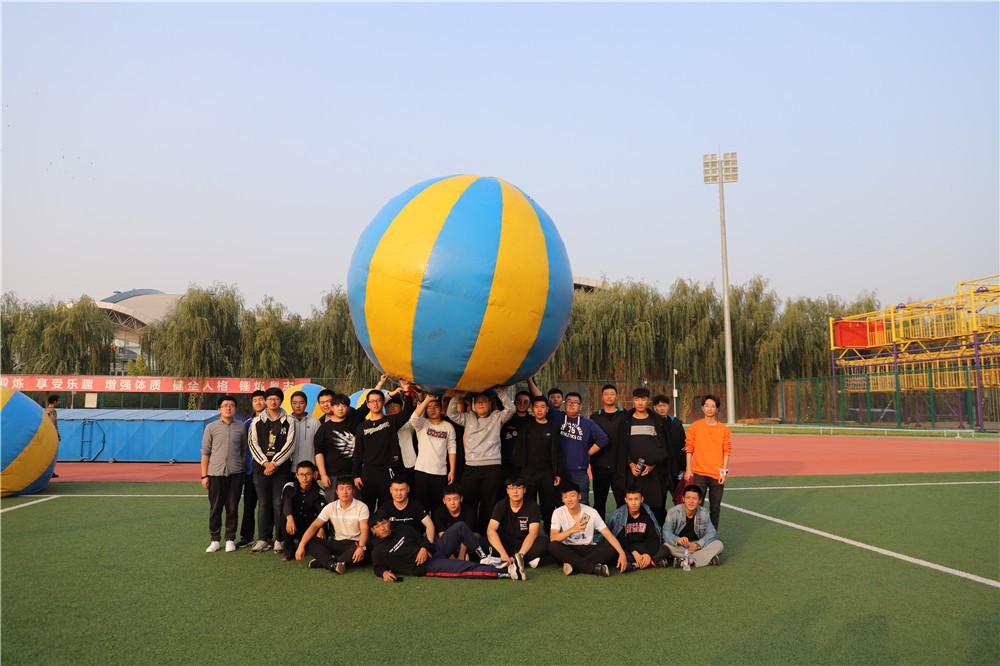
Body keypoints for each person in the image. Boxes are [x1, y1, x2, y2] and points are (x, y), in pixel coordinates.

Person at [369, 510, 519, 582]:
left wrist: (423, 548)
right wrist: (384, 573)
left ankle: (484, 558)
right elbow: (377, 567)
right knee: (464, 567)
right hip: (428, 566)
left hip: (435, 550)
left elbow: (422, 540)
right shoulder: (378, 551)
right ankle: (506, 572)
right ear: (373, 531)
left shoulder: (401, 528)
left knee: (460, 526)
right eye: (377, 526)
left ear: (388, 522)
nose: (382, 528)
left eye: (383, 523)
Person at [446, 388, 515, 532]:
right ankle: (469, 534)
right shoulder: (467, 418)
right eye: (477, 402)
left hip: (492, 467)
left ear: (490, 404)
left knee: (489, 504)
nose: (481, 404)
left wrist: (499, 391)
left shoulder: (497, 417)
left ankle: (485, 535)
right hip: (471, 468)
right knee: (469, 503)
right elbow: (451, 413)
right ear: (473, 405)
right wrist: (457, 395)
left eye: (484, 401)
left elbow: (511, 409)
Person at [352, 380, 414, 513]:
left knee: (386, 508)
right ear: (368, 404)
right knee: (366, 508)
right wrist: (356, 475)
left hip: (388, 471)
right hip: (368, 472)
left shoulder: (391, 421)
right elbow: (358, 452)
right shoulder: (362, 426)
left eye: (378, 400)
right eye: (372, 401)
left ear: (383, 402)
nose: (375, 403)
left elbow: (407, 412)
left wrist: (406, 391)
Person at [248, 387, 296, 553]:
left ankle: (279, 539)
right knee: (264, 504)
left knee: (278, 504)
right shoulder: (256, 421)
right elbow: (252, 444)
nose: (272, 402)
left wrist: (274, 463)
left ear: (281, 401)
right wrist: (265, 463)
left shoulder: (289, 420)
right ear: (265, 401)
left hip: (281, 469)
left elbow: (290, 445)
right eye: (269, 399)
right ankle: (263, 539)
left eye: (276, 398)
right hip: (261, 469)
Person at [621, 387, 678, 524]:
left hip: (655, 473)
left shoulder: (657, 420)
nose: (640, 403)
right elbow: (622, 447)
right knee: (634, 506)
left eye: (643, 399)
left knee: (656, 505)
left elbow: (665, 447)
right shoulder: (626, 420)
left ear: (648, 401)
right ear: (633, 401)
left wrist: (653, 464)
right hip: (633, 474)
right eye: (637, 400)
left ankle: (657, 532)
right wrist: (630, 464)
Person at [548, 481, 629, 576]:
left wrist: (622, 553)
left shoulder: (591, 512)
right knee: (553, 546)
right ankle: (593, 568)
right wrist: (572, 530)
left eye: (572, 495)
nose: (569, 500)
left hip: (587, 548)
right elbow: (553, 538)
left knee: (612, 549)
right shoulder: (558, 512)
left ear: (579, 496)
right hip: (568, 549)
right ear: (562, 499)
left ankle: (573, 566)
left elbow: (608, 534)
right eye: (565, 497)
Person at [296, 475, 370, 574]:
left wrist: (361, 547)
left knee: (365, 551)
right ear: (336, 491)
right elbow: (314, 526)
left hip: (354, 543)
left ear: (353, 491)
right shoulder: (330, 507)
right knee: (311, 541)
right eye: (341, 489)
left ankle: (324, 561)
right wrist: (301, 545)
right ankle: (334, 563)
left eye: (348, 488)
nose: (344, 492)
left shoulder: (362, 507)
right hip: (337, 542)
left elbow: (365, 529)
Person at [200, 395, 245, 553]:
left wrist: (242, 471)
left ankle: (230, 539)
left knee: (232, 507)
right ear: (219, 409)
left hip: (236, 473)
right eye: (225, 405)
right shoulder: (210, 427)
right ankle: (215, 539)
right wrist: (204, 476)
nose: (228, 408)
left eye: (231, 405)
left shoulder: (241, 427)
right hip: (215, 473)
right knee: (215, 508)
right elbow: (205, 453)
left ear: (235, 408)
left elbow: (243, 452)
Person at [684, 394, 733, 529]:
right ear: (702, 408)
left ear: (717, 409)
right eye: (707, 406)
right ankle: (695, 532)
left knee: (715, 507)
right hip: (699, 473)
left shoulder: (724, 429)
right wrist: (688, 469)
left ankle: (712, 533)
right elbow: (689, 449)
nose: (709, 409)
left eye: (713, 406)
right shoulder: (695, 427)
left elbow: (726, 451)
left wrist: (723, 472)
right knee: (696, 506)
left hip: (716, 475)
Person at [510, 395, 562, 523]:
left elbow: (557, 452)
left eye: (542, 407)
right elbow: (519, 450)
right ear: (532, 409)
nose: (539, 410)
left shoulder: (553, 427)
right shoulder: (526, 427)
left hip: (547, 474)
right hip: (528, 473)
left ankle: (550, 532)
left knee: (548, 507)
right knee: (528, 505)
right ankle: (528, 532)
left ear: (547, 409)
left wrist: (557, 473)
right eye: (536, 407)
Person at [484, 478, 548, 571]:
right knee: (481, 541)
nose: (515, 491)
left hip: (524, 545)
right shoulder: (500, 505)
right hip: (504, 544)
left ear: (524, 490)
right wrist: (503, 554)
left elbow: (533, 533)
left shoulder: (532, 506)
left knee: (545, 541)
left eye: (519, 488)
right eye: (511, 488)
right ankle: (526, 560)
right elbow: (491, 530)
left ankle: (515, 560)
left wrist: (520, 555)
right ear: (507, 491)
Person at [313, 389, 371, 489]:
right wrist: (323, 475)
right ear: (332, 407)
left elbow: (368, 404)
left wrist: (381, 384)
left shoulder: (354, 420)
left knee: (355, 499)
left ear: (348, 408)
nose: (340, 409)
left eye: (344, 406)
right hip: (333, 475)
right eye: (337, 406)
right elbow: (319, 452)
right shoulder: (323, 428)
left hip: (355, 474)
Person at [558, 392, 608, 505]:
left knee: (582, 504)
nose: (572, 404)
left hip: (579, 472)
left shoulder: (587, 423)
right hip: (560, 472)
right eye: (569, 402)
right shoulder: (558, 417)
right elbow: (542, 400)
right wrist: (530, 383)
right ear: (564, 404)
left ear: (580, 406)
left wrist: (587, 452)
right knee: (561, 504)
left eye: (575, 402)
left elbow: (603, 439)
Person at [409, 394, 457, 511]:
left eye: (435, 407)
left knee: (438, 507)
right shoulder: (422, 423)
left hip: (440, 472)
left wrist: (452, 470)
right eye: (429, 407)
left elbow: (452, 449)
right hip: (422, 471)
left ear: (441, 409)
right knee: (422, 507)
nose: (432, 410)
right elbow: (413, 418)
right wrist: (427, 399)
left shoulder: (448, 427)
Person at [656, 485, 724, 568]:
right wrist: (677, 540)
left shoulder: (703, 513)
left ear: (700, 500)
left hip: (697, 545)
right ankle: (705, 558)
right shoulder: (673, 512)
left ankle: (688, 560)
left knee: (718, 544)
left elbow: (712, 533)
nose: (691, 501)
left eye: (694, 498)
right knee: (667, 546)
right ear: (683, 499)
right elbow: (666, 533)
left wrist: (698, 545)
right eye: (688, 498)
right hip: (680, 546)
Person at [589, 384, 627, 520]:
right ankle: (600, 529)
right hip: (600, 466)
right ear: (602, 397)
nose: (609, 397)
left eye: (612, 394)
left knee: (622, 502)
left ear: (617, 397)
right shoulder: (594, 417)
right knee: (599, 502)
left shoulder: (625, 415)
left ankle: (621, 528)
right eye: (606, 394)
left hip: (620, 467)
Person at [278, 461, 327, 561]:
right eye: (301, 474)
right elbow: (286, 502)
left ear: (313, 475)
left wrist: (322, 529)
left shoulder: (319, 492)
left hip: (310, 526)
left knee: (315, 546)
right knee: (285, 516)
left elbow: (323, 512)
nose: (304, 478)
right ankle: (289, 548)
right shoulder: (289, 486)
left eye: (308, 474)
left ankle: (307, 543)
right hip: (293, 524)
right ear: (296, 475)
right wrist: (289, 518)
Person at [236, 390, 266, 549]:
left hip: (267, 471)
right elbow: (243, 448)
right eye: (255, 400)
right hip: (250, 471)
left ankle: (267, 537)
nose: (258, 402)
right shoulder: (247, 424)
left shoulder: (273, 421)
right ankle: (247, 536)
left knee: (268, 505)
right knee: (249, 505)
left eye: (261, 399)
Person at [606, 489, 662, 570]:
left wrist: (648, 554)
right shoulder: (618, 515)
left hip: (644, 546)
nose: (633, 503)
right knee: (615, 552)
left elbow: (653, 537)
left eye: (636, 499)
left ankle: (634, 565)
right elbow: (619, 539)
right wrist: (634, 553)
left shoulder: (648, 513)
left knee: (665, 548)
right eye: (630, 499)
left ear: (642, 499)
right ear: (626, 500)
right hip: (628, 549)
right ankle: (652, 562)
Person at [653, 393, 686, 503]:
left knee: (679, 500)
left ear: (668, 406)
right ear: (654, 408)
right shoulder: (651, 423)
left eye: (665, 405)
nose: (662, 408)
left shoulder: (676, 423)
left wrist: (684, 467)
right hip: (658, 469)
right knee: (658, 502)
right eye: (659, 406)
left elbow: (683, 446)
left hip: (675, 468)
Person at [383, 478, 435, 543]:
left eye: (402, 490)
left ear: (408, 489)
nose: (399, 493)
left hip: (414, 542)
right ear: (390, 490)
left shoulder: (416, 505)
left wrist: (429, 542)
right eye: (396, 490)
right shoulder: (385, 506)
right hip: (393, 543)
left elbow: (429, 524)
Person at [432, 484, 477, 559]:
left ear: (461, 499)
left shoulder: (469, 511)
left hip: (463, 544)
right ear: (444, 501)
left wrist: (461, 556)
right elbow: (442, 535)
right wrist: (451, 558)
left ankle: (466, 555)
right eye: (449, 500)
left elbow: (467, 535)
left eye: (455, 499)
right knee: (431, 536)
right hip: (446, 544)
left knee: (476, 536)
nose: (452, 503)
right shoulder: (439, 513)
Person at [500, 390, 533, 482]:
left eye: (525, 402)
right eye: (519, 401)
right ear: (514, 402)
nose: (522, 404)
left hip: (526, 464)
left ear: (530, 404)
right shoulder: (506, 419)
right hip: (507, 462)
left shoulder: (533, 422)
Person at [288, 390, 322, 473]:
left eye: (301, 403)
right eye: (295, 403)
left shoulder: (315, 422)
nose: (298, 406)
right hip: (288, 468)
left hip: (309, 469)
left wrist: (317, 467)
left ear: (306, 404)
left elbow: (319, 446)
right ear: (291, 404)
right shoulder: (286, 421)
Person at [45, 395, 61, 478]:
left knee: (52, 455)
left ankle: (50, 471)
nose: (58, 403)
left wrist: (57, 434)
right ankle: (47, 472)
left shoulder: (53, 411)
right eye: (58, 401)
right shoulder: (47, 412)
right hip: (48, 436)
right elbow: (50, 424)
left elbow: (55, 424)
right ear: (54, 401)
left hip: (52, 435)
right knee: (48, 455)